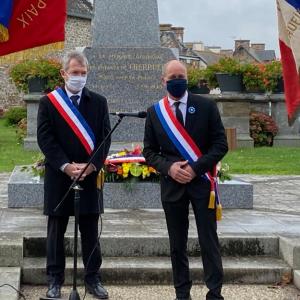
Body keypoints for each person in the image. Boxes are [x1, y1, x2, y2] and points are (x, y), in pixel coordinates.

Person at [143, 60, 228, 300]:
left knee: (208, 240)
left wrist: (195, 167)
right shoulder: (154, 112)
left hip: (202, 183)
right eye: (172, 77)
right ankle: (182, 292)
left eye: (181, 76)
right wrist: (169, 168)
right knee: (177, 244)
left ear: (187, 78)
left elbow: (220, 144)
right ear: (163, 81)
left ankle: (214, 292)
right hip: (172, 185)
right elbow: (149, 152)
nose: (177, 81)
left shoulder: (206, 106)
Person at [37, 50, 111, 299]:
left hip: (89, 177)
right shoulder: (49, 102)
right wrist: (66, 166)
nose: (79, 77)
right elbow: (45, 139)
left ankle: (93, 279)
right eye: (74, 73)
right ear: (64, 74)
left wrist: (91, 166)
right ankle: (55, 280)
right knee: (56, 231)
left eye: (83, 73)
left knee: (90, 231)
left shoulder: (99, 102)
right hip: (60, 177)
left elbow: (105, 138)